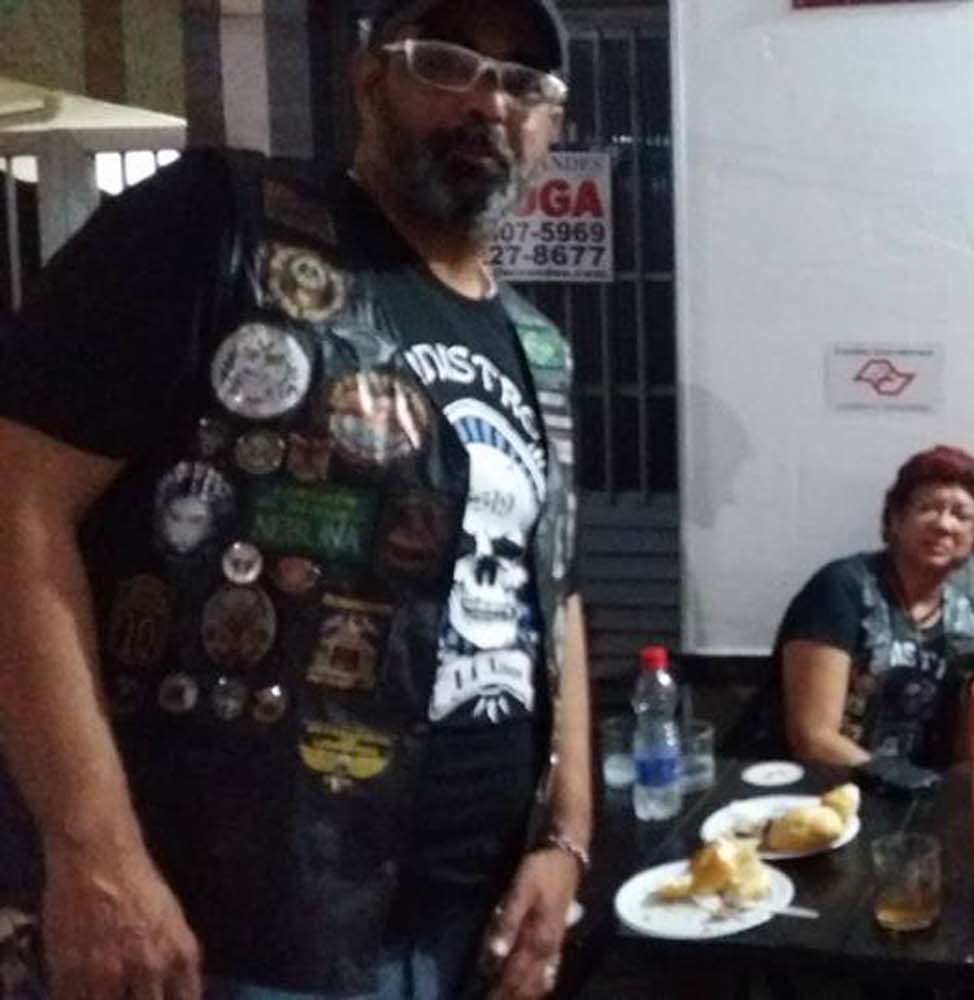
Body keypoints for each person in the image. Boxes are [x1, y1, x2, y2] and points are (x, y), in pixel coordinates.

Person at [0, 1, 592, 996]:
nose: (488, 102)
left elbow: (557, 597)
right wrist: (94, 850)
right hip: (226, 928)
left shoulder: (538, 346)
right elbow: (18, 507)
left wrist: (565, 836)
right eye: (447, 62)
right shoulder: (218, 225)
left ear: (549, 123)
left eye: (522, 82)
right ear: (368, 75)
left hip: (475, 922)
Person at [772, 445, 974, 770]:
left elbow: (970, 752)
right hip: (819, 786)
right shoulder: (842, 589)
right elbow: (812, 738)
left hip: (921, 792)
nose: (944, 525)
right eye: (927, 508)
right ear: (895, 519)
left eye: (961, 515)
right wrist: (901, 784)